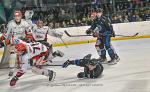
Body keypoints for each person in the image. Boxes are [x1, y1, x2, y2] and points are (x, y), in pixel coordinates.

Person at [0, 9, 32, 77]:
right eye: (15, 16)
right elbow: (6, 33)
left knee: (25, 55)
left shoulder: (25, 23)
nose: (17, 17)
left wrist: (29, 38)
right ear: (14, 17)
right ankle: (12, 70)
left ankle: (24, 67)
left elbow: (29, 32)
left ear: (21, 16)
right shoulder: (10, 23)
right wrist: (1, 40)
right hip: (14, 42)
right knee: (12, 55)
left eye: (18, 16)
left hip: (23, 41)